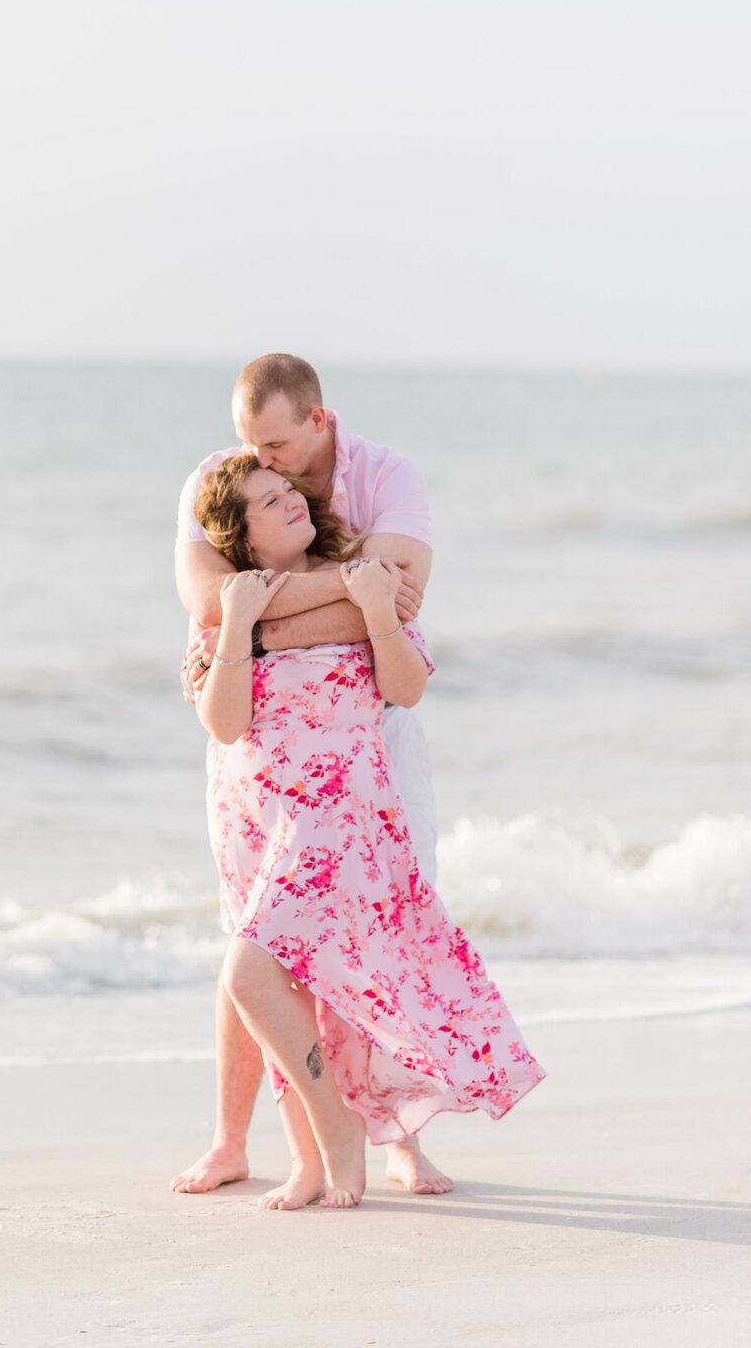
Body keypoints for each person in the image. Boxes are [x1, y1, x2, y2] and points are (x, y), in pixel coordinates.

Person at [182, 452, 544, 1209]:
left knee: (252, 975)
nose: (291, 501)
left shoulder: (364, 577)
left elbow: (406, 689)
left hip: (341, 823)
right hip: (261, 824)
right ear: (241, 538)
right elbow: (223, 722)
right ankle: (309, 1161)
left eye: (289, 489)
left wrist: (378, 613)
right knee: (283, 988)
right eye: (269, 501)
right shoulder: (228, 610)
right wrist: (241, 621)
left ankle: (347, 1138)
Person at [170, 353, 443, 1197]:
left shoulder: (387, 477)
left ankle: (392, 1134)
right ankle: (237, 1140)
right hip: (257, 752)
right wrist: (339, 602)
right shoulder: (223, 477)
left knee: (381, 929)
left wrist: (259, 617)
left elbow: (396, 602)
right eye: (249, 442)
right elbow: (208, 601)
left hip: (367, 738)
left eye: (277, 447)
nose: (260, 461)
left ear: (319, 423)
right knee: (253, 943)